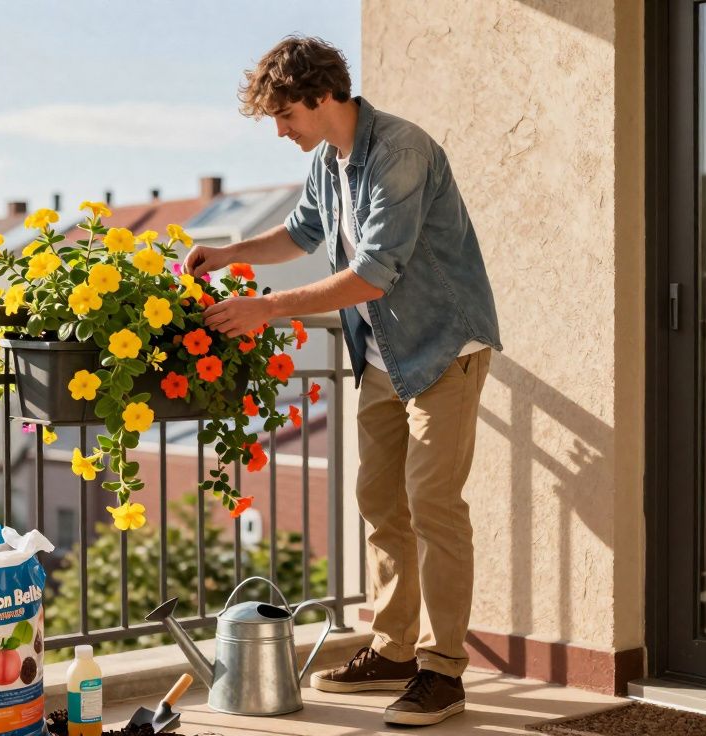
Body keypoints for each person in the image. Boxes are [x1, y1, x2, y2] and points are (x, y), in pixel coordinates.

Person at [185, 35, 502, 728]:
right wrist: (229, 253)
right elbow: (301, 234)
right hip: (385, 353)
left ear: (321, 97)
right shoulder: (330, 162)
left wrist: (267, 307)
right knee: (380, 499)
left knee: (433, 502)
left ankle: (442, 672)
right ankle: (391, 651)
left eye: (284, 115)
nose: (279, 130)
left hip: (444, 346)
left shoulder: (400, 151)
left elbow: (374, 272)